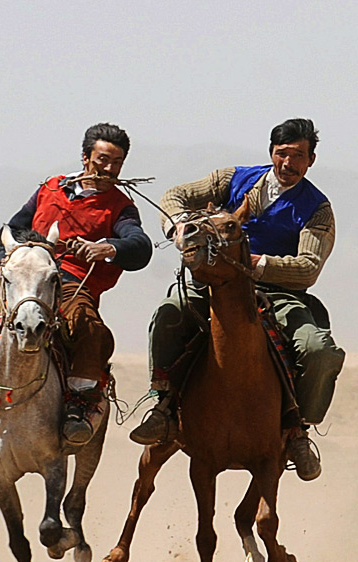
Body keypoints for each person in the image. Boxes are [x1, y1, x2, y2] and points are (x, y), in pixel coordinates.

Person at [128, 118, 345, 482]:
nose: (288, 164)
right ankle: (163, 404)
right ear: (271, 152)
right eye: (282, 154)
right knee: (170, 313)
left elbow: (308, 268)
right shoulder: (231, 179)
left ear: (312, 160)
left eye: (298, 156)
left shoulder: (317, 209)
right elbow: (174, 197)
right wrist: (179, 227)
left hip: (277, 294)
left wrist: (256, 264)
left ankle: (296, 431)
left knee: (318, 349)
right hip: (215, 282)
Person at [0, 122, 152, 445]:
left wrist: (107, 247)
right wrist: (4, 265)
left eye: (117, 163)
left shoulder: (120, 208)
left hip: (66, 281)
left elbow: (140, 245)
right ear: (85, 157)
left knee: (90, 328)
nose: (109, 169)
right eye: (103, 160)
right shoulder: (49, 189)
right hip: (18, 270)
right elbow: (10, 228)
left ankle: (77, 409)